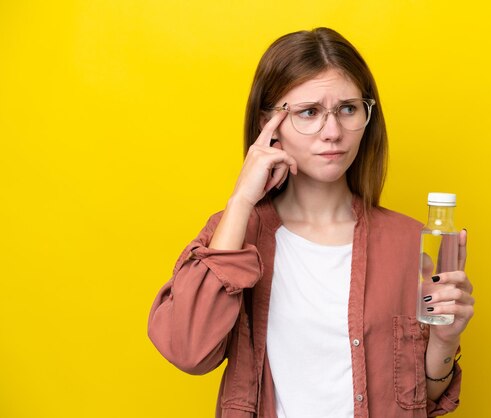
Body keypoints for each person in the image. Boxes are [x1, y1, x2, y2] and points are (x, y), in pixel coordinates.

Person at [148, 27, 474, 418]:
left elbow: (425, 399)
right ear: (268, 126)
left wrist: (443, 341)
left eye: (348, 109)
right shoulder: (234, 235)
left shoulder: (409, 242)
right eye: (309, 112)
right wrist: (241, 201)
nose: (333, 132)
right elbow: (187, 350)